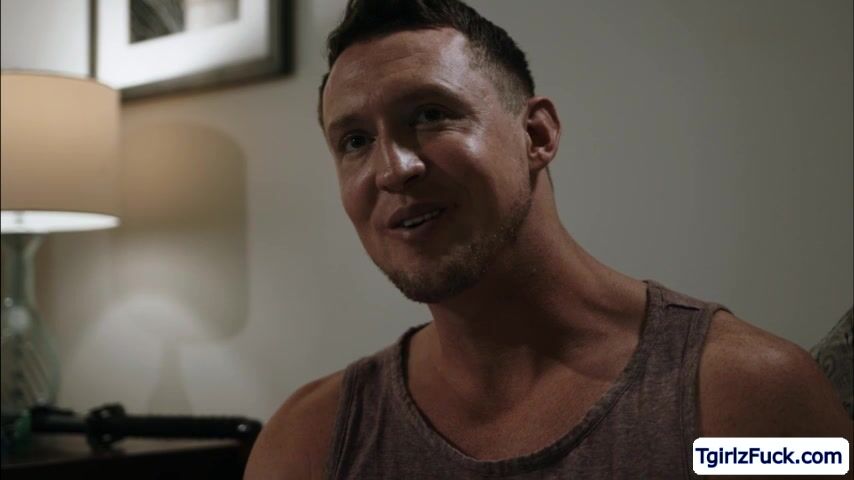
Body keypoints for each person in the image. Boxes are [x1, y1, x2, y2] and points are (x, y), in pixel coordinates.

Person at [245, 0, 851, 478]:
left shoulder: (744, 399)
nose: (393, 169)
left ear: (536, 134)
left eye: (430, 114)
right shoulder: (310, 444)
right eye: (354, 141)